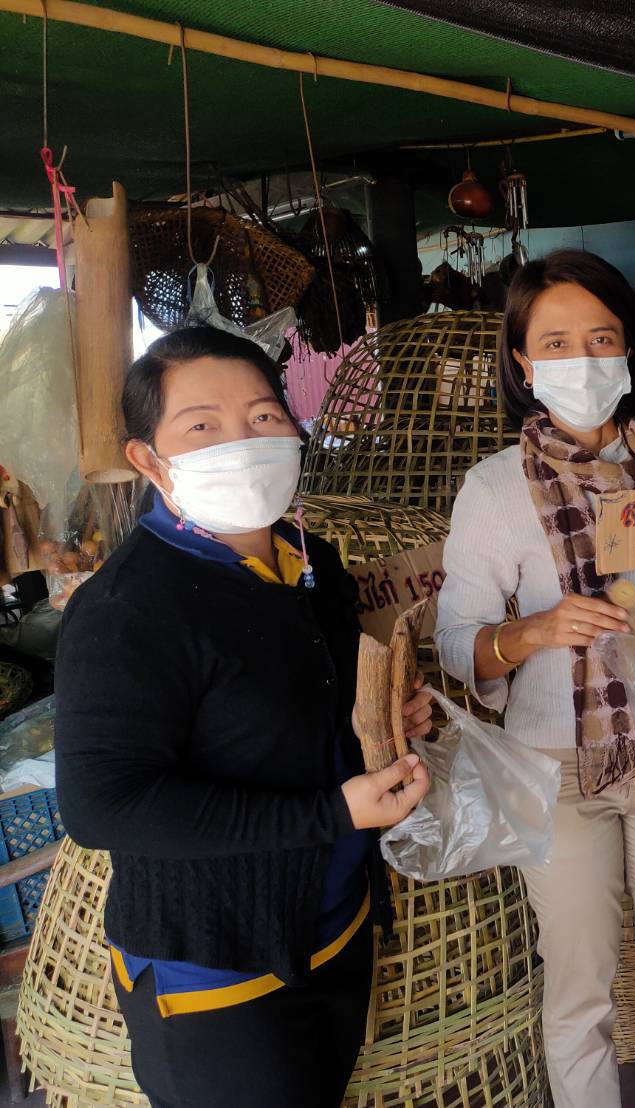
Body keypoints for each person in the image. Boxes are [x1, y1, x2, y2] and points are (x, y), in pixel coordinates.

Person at [54, 327, 433, 1108]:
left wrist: (388, 720)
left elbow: (301, 708)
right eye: (202, 426)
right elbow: (104, 806)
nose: (243, 441)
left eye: (263, 416)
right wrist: (331, 811)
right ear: (148, 460)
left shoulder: (310, 562)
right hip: (213, 972)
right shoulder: (127, 609)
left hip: (332, 925)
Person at [434, 249, 635, 1108]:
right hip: (554, 768)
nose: (582, 361)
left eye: (601, 339)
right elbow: (458, 647)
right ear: (525, 364)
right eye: (557, 343)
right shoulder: (493, 490)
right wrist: (534, 630)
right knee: (580, 986)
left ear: (630, 353)